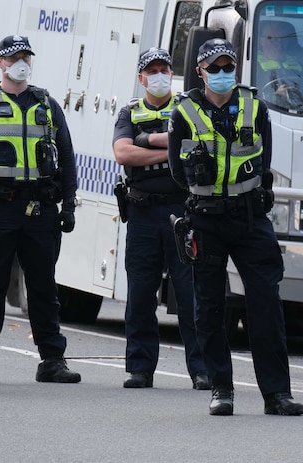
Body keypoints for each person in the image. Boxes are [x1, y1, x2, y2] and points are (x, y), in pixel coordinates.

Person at [167, 38, 303, 417]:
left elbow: (265, 165)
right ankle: (221, 389)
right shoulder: (183, 113)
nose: (223, 74)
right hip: (206, 218)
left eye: (229, 67)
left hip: (249, 219)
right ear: (200, 72)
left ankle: (277, 395)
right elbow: (179, 175)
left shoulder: (255, 107)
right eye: (215, 68)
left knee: (266, 305)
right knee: (209, 308)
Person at [0, 34, 80, 385]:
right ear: (0, 63)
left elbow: (67, 157)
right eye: (14, 57)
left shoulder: (47, 104)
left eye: (26, 56)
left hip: (40, 206)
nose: (21, 62)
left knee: (43, 286)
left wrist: (68, 204)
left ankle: (52, 359)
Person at [112, 47, 209, 391]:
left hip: (183, 211)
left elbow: (195, 145)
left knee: (189, 294)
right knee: (140, 293)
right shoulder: (130, 111)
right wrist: (169, 149)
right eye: (151, 71)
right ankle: (140, 368)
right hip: (142, 213)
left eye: (163, 69)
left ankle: (202, 370)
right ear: (141, 78)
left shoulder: (186, 108)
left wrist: (148, 141)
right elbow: (123, 152)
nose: (158, 75)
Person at [255, 20, 303, 108]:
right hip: (272, 112)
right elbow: (252, 100)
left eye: (283, 39)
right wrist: (276, 96)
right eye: (273, 39)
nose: (279, 43)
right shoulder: (252, 65)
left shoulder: (302, 62)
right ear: (261, 41)